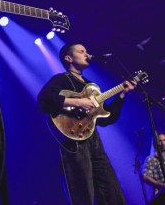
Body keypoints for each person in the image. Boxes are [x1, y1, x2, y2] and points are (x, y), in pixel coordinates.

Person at [37, 43, 136, 205]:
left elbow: (105, 119)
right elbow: (44, 99)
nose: (86, 54)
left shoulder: (91, 86)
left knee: (112, 192)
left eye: (86, 51)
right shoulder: (62, 79)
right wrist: (78, 102)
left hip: (94, 140)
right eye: (81, 51)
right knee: (82, 192)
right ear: (69, 58)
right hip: (73, 141)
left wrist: (121, 95)